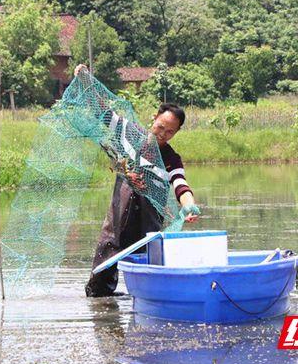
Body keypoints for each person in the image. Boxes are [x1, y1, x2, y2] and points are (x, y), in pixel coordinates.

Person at [72, 64, 201, 297]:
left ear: (176, 133)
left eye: (169, 131)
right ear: (154, 118)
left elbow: (180, 185)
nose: (162, 134)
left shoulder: (171, 158)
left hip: (147, 227)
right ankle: (103, 317)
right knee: (99, 285)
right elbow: (103, 112)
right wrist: (85, 82)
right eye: (161, 127)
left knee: (148, 284)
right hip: (117, 222)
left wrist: (188, 205)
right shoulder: (129, 134)